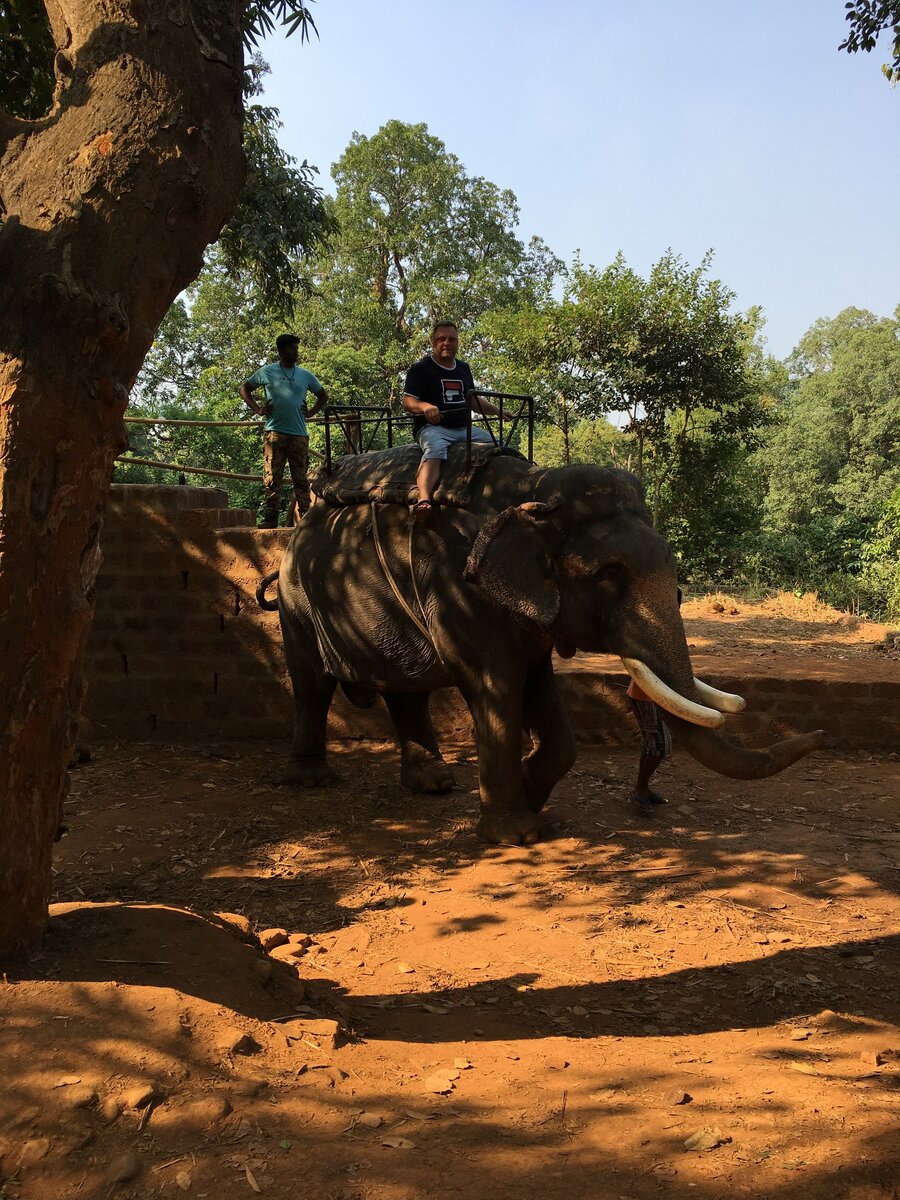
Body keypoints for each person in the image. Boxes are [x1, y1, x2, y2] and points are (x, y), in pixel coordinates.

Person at [402, 320, 514, 518]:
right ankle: (425, 498)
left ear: (458, 342)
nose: (446, 343)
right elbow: (408, 401)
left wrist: (498, 411)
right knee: (435, 450)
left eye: (451, 339)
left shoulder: (463, 368)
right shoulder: (420, 369)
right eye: (441, 339)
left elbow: (472, 401)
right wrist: (425, 407)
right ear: (432, 342)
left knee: (501, 445)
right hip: (432, 428)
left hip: (464, 428)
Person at [240, 334, 329, 528]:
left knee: (301, 478)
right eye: (292, 348)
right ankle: (270, 518)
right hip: (275, 432)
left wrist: (311, 411)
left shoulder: (305, 375)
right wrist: (257, 409)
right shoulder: (267, 372)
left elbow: (323, 395)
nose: (296, 351)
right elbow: (244, 388)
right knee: (272, 476)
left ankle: (306, 517)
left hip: (298, 434)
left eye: (296, 348)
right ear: (281, 351)